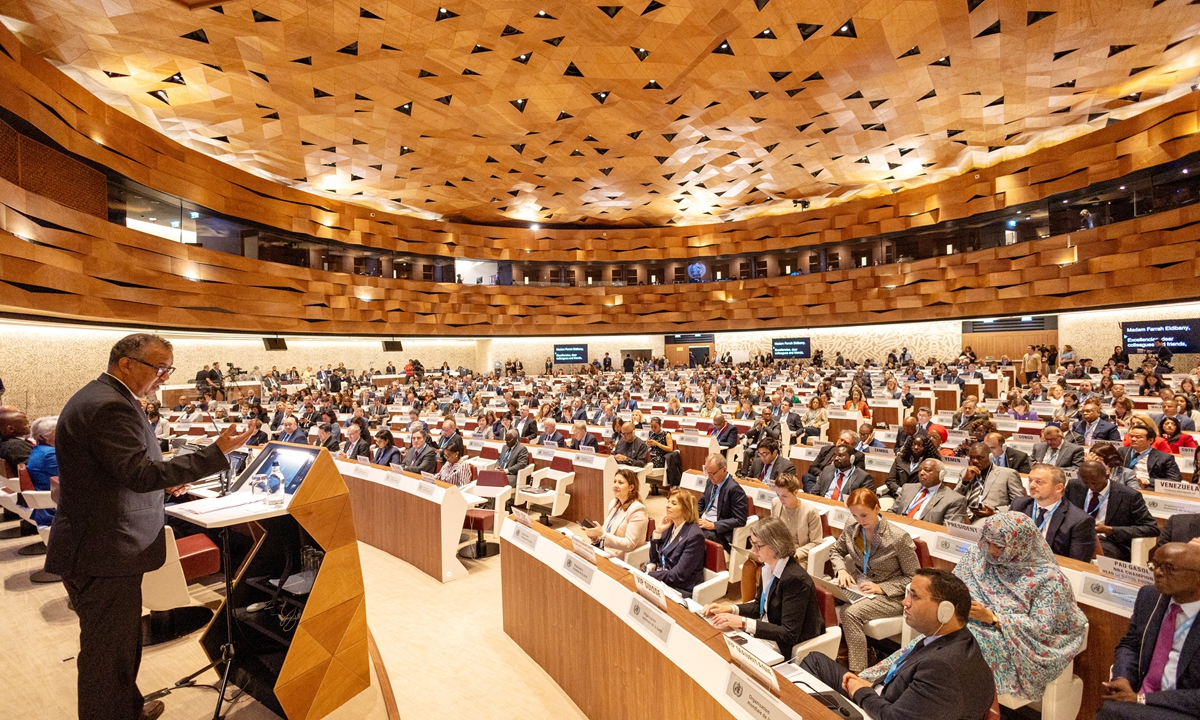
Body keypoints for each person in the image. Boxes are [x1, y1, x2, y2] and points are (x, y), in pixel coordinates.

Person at [45, 333, 254, 720]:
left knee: (116, 647)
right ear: (127, 363)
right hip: (104, 550)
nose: (164, 377)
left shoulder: (102, 397)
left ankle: (126, 707)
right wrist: (218, 451)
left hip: (98, 545)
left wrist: (162, 480)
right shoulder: (109, 405)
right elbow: (139, 473)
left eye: (168, 369)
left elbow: (119, 473)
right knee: (107, 653)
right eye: (159, 368)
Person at [801, 568, 995, 720]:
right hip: (881, 696)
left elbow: (895, 717)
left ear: (945, 610)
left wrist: (861, 692)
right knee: (815, 661)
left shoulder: (943, 667)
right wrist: (871, 685)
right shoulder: (949, 637)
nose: (904, 602)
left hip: (882, 711)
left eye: (915, 596)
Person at [954, 512, 1088, 702]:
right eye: (988, 542)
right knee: (934, 640)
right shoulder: (977, 556)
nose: (992, 550)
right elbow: (953, 588)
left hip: (1009, 641)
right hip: (962, 625)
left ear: (1020, 543)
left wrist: (994, 618)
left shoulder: (1049, 577)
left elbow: (1044, 629)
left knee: (956, 652)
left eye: (1000, 546)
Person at [1099, 542, 1200, 720]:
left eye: (1169, 568)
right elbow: (1130, 644)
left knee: (1112, 713)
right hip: (1140, 695)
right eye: (1155, 565)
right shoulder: (1150, 596)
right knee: (1113, 708)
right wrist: (1122, 678)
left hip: (1185, 707)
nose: (1158, 573)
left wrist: (1143, 699)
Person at [703, 516, 825, 659]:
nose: (753, 549)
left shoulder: (795, 579)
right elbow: (759, 607)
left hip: (784, 645)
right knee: (715, 639)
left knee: (726, 654)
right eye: (751, 543)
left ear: (776, 545)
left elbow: (789, 634)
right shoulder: (767, 567)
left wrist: (743, 622)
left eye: (758, 545)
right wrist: (730, 609)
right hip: (766, 632)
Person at [831, 488, 921, 672]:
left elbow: (915, 578)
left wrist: (882, 588)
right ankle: (833, 651)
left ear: (877, 508)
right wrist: (841, 570)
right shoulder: (851, 526)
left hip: (890, 596)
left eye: (864, 515)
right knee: (821, 593)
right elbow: (836, 551)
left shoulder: (898, 538)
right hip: (859, 586)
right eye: (855, 515)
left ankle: (859, 671)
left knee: (850, 613)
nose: (860, 521)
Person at [738, 472, 823, 599]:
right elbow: (772, 531)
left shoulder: (810, 511)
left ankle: (766, 608)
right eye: (778, 495)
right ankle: (748, 608)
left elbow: (816, 542)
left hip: (796, 555)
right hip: (774, 550)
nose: (780, 499)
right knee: (749, 565)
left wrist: (796, 553)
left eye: (784, 496)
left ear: (795, 492)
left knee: (762, 572)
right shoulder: (776, 503)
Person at [1065, 461, 1158, 561]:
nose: (1091, 487)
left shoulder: (1129, 496)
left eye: (1095, 483)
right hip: (1075, 535)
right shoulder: (1074, 486)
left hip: (1109, 541)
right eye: (1086, 483)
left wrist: (1110, 529)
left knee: (1082, 551)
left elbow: (1151, 528)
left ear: (1107, 476)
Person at [1011, 464, 1097, 561]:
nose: (1031, 485)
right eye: (1030, 480)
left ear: (1059, 488)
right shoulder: (1019, 505)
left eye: (1039, 482)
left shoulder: (1079, 521)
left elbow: (1077, 562)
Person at [646, 488, 706, 597]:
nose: (668, 505)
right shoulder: (671, 526)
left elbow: (679, 575)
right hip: (664, 579)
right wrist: (658, 532)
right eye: (668, 501)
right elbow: (653, 559)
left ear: (685, 508)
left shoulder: (695, 536)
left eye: (674, 503)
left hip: (679, 587)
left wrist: (650, 575)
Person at [582, 468, 648, 561]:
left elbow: (629, 544)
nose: (615, 485)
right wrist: (595, 536)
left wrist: (603, 534)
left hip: (617, 556)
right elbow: (606, 532)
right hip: (603, 550)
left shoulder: (637, 509)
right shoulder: (614, 503)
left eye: (620, 483)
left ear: (631, 487)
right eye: (615, 481)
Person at [697, 452, 748, 552]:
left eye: (713, 473)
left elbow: (740, 519)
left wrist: (714, 525)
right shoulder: (710, 482)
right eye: (707, 472)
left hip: (719, 531)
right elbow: (702, 502)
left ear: (724, 470)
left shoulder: (734, 489)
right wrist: (692, 516)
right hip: (704, 521)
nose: (709, 477)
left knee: (696, 536)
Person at [893, 458, 968, 525]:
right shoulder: (907, 488)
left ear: (941, 474)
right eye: (920, 470)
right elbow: (892, 512)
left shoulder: (954, 499)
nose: (921, 473)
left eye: (927, 470)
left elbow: (948, 531)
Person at [24, 415, 58, 527]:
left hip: (45, 506)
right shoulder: (50, 455)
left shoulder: (39, 450)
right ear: (46, 436)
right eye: (57, 431)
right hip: (52, 509)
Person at [882, 433, 937, 497]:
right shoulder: (900, 460)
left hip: (916, 497)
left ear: (925, 448)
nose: (916, 447)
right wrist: (899, 490)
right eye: (913, 444)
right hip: (896, 494)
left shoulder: (929, 464)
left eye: (920, 445)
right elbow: (890, 480)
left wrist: (908, 493)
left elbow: (929, 484)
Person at [0, 405, 32, 470]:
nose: (29, 426)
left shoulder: (8, 442)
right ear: (11, 429)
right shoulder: (15, 446)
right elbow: (31, 468)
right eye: (25, 424)